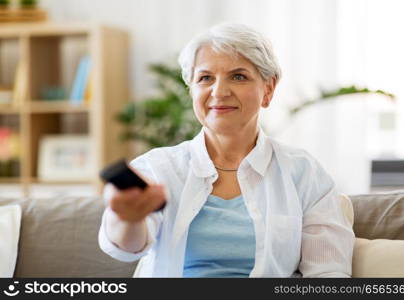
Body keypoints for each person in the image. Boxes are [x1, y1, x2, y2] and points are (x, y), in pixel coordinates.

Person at [98, 23, 355, 277]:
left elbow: (328, 272)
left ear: (268, 89)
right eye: (205, 78)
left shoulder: (303, 171)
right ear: (192, 90)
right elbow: (126, 248)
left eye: (238, 76)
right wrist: (129, 219)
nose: (219, 92)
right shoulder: (157, 167)